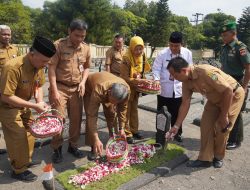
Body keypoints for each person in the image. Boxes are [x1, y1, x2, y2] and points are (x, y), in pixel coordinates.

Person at [167, 57, 244, 168]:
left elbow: (228, 91)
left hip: (232, 95)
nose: (173, 78)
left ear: (184, 70)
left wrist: (223, 116)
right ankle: (205, 159)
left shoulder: (206, 72)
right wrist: (176, 126)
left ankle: (218, 157)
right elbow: (185, 104)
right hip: (214, 98)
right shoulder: (185, 81)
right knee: (206, 125)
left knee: (222, 127)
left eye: (174, 75)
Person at [0, 36, 56, 182]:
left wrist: (40, 102)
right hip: (7, 107)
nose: (45, 65)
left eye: (47, 62)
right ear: (32, 54)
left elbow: (38, 86)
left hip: (24, 105)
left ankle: (25, 160)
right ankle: (18, 170)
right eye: (44, 61)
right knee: (18, 136)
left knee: (32, 131)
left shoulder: (39, 66)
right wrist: (34, 106)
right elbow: (6, 96)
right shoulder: (12, 67)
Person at [48, 19, 91, 163]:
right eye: (77, 35)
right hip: (60, 87)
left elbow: (86, 67)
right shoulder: (58, 45)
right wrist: (54, 90)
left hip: (77, 89)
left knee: (76, 120)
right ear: (69, 31)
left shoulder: (86, 48)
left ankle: (73, 146)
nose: (79, 39)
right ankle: (57, 149)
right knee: (58, 120)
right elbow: (52, 68)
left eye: (83, 36)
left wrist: (83, 82)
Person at [152, 31, 192, 142]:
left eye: (176, 46)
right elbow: (156, 68)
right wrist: (156, 79)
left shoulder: (187, 53)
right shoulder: (162, 53)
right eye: (171, 45)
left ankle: (177, 133)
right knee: (162, 112)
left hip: (179, 88)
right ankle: (161, 132)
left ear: (181, 44)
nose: (173, 48)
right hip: (164, 88)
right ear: (168, 43)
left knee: (178, 112)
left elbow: (189, 69)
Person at [84, 71, 130, 160]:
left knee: (112, 114)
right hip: (89, 89)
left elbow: (122, 110)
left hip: (108, 89)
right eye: (113, 101)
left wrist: (122, 128)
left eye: (117, 102)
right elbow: (92, 116)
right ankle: (94, 146)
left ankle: (113, 140)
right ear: (109, 92)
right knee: (90, 115)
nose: (114, 104)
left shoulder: (126, 90)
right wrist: (96, 138)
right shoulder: (99, 89)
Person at [220, 21, 250, 150]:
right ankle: (227, 136)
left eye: (225, 35)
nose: (223, 37)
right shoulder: (224, 47)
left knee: (236, 112)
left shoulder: (240, 48)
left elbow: (248, 68)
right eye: (222, 35)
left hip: (237, 81)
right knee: (225, 109)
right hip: (225, 81)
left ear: (233, 34)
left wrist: (244, 87)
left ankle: (235, 140)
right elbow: (223, 66)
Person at [120, 36, 151, 144]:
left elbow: (142, 72)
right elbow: (123, 77)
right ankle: (127, 133)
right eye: (136, 49)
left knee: (134, 110)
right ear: (131, 47)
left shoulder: (142, 57)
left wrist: (145, 82)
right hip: (127, 88)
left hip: (136, 89)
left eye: (140, 49)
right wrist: (138, 81)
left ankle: (134, 130)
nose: (138, 51)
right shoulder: (126, 58)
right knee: (126, 111)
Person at [0, 25, 20, 154]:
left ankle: (13, 150)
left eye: (9, 34)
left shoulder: (15, 49)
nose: (7, 36)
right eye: (4, 34)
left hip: (10, 90)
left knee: (10, 120)